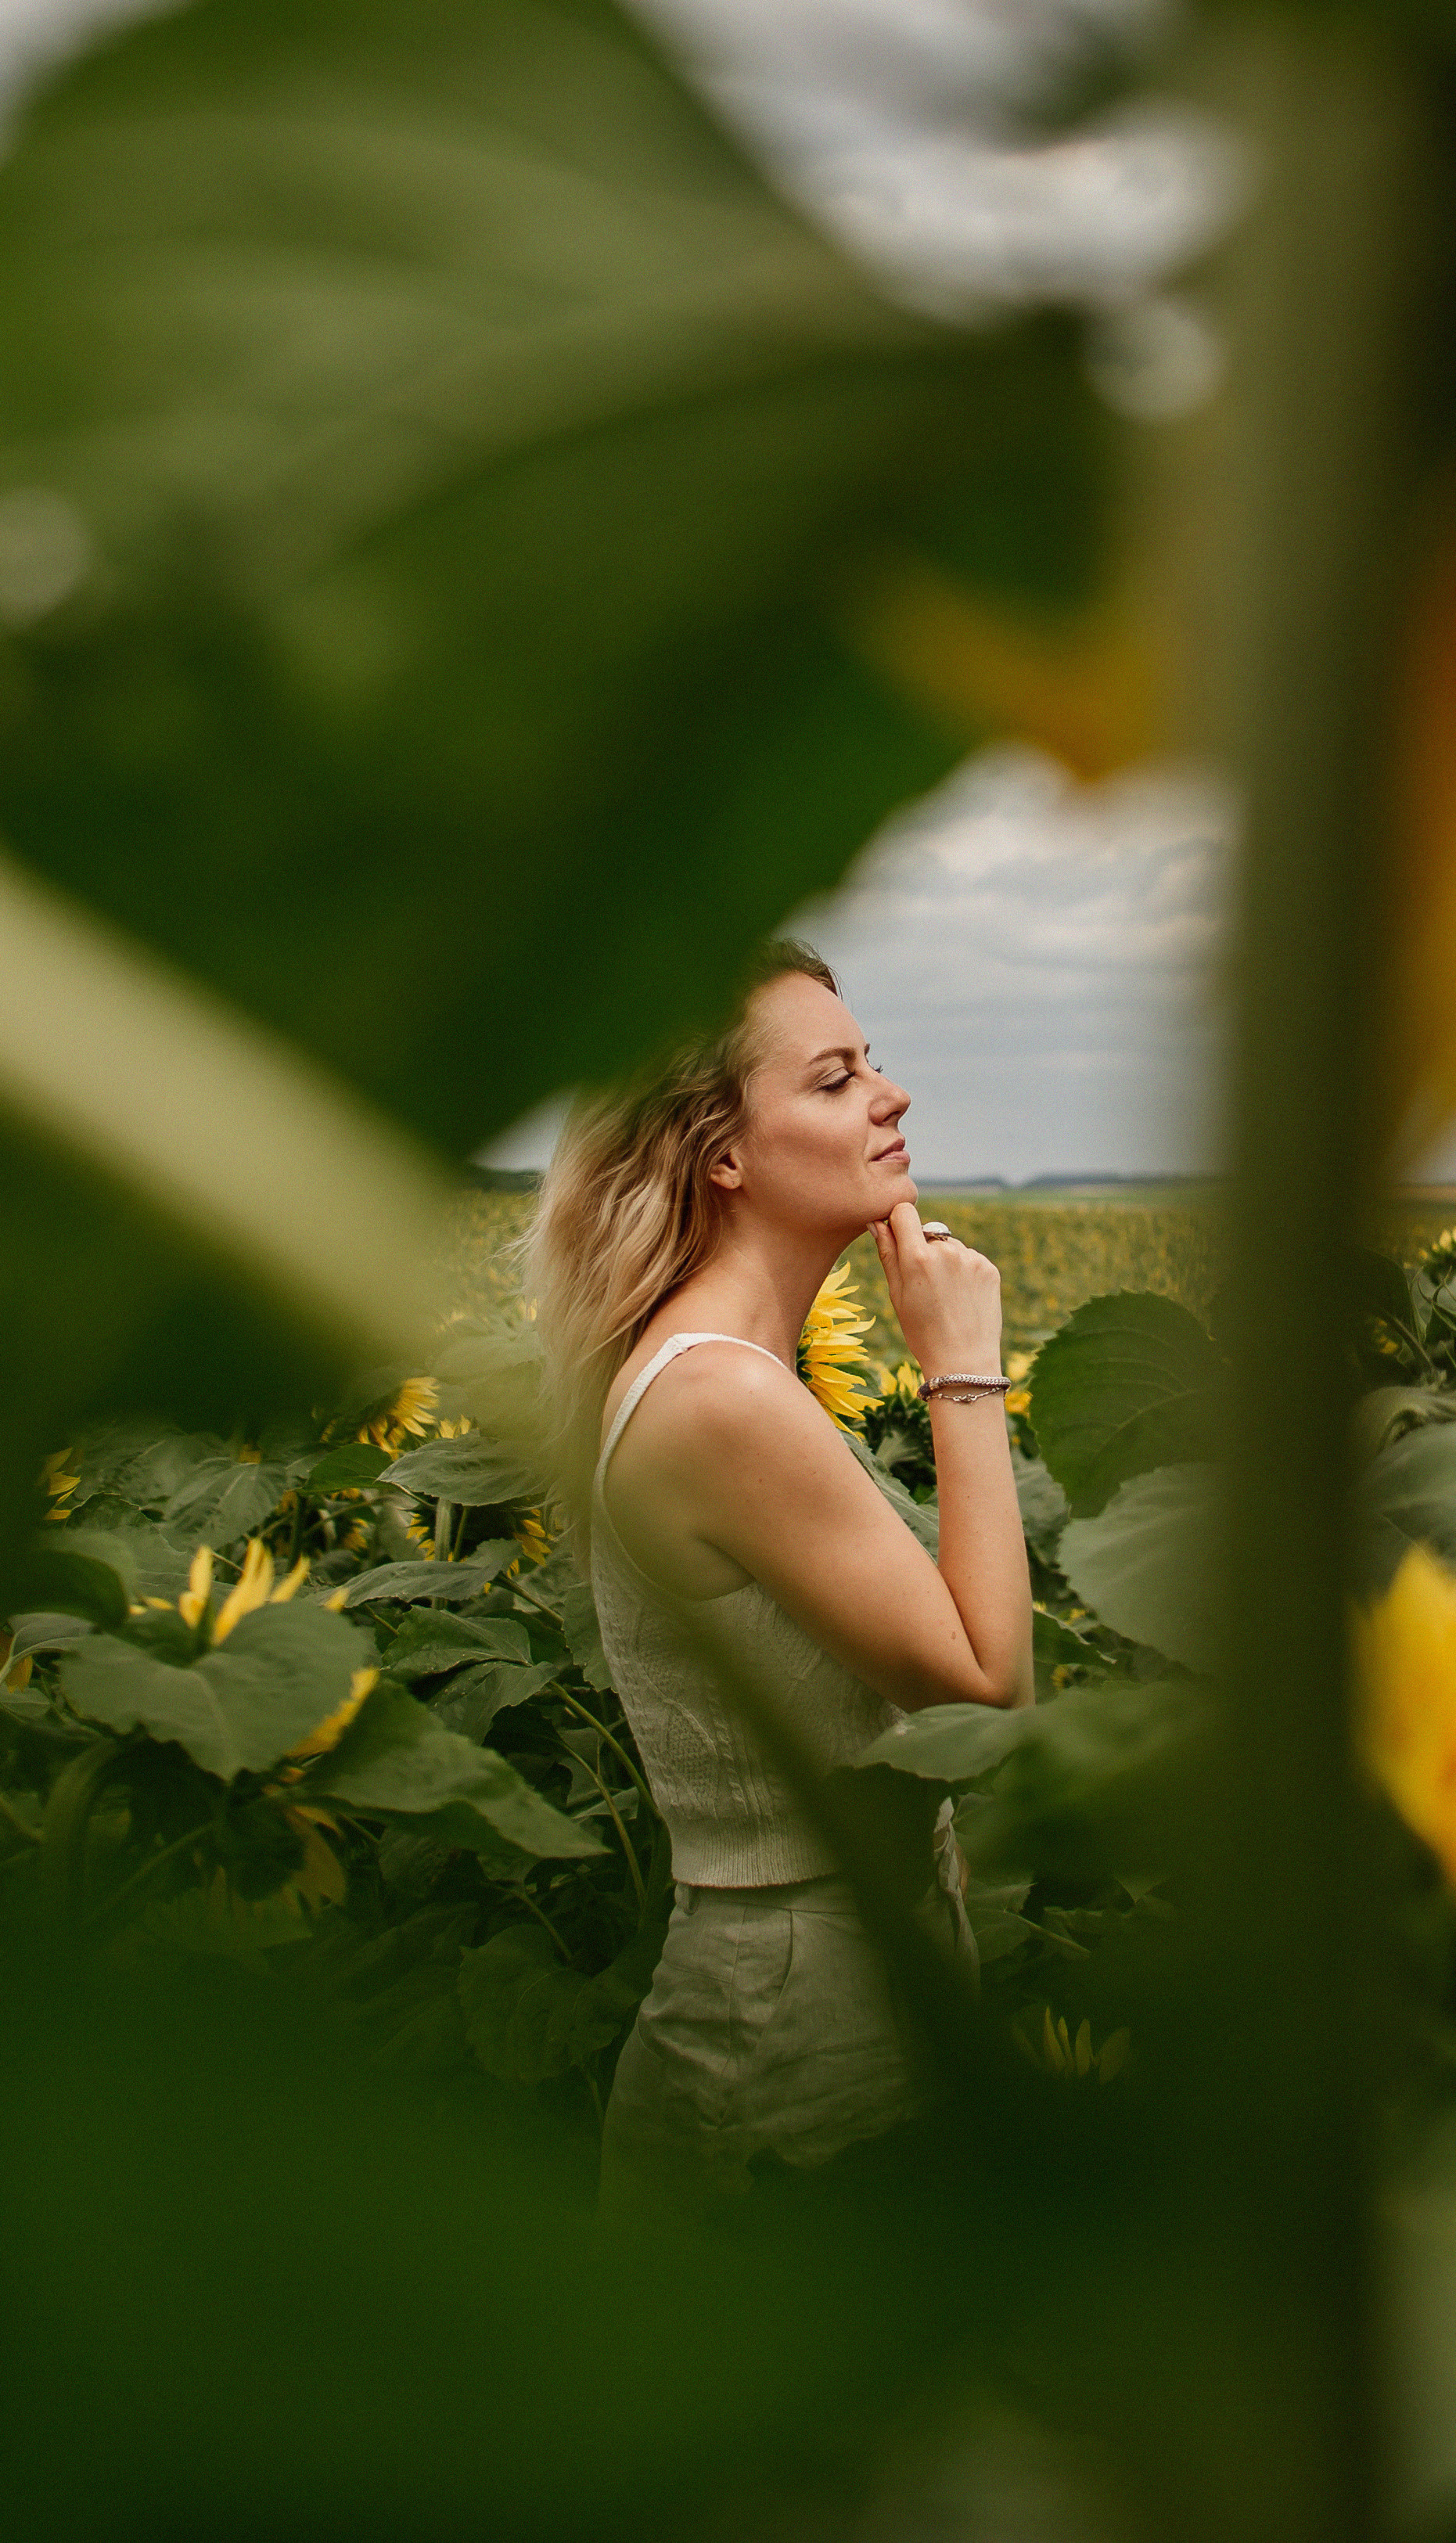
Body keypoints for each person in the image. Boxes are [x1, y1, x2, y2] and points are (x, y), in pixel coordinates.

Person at [526, 941, 1033, 2203]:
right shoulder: (719, 1398)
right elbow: (986, 1692)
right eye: (833, 1079)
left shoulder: (727, 1372)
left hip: (836, 1989)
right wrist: (962, 1369)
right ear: (723, 1154)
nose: (890, 1095)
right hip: (792, 2038)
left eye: (874, 1063)